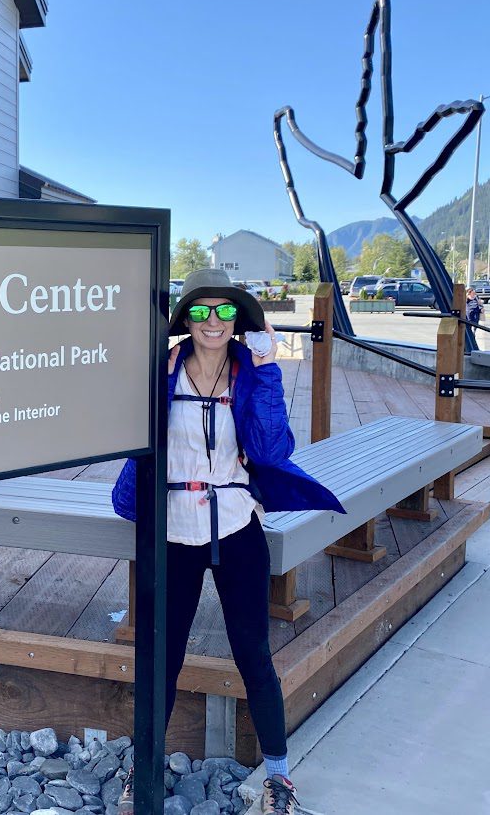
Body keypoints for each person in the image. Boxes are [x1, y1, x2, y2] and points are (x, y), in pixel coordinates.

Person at [111, 269, 344, 815]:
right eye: (199, 311)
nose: (212, 321)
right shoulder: (162, 371)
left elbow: (272, 446)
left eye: (223, 311)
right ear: (184, 320)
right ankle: (143, 767)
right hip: (173, 530)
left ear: (238, 319)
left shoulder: (250, 374)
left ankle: (279, 777)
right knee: (160, 659)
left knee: (253, 656)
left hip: (236, 526)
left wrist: (266, 372)